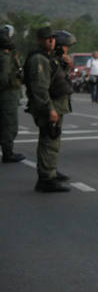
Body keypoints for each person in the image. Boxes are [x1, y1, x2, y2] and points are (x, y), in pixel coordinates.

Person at [23, 27, 72, 192]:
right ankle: (46, 178)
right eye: (47, 38)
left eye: (52, 38)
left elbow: (58, 78)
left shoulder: (49, 58)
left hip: (56, 105)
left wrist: (66, 65)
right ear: (39, 40)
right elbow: (40, 89)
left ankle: (50, 171)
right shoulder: (39, 59)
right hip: (49, 106)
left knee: (52, 141)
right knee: (49, 141)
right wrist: (49, 109)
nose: (51, 41)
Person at [0, 27, 25, 163]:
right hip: (7, 94)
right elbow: (4, 78)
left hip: (8, 93)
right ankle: (8, 153)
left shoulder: (7, 55)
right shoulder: (5, 57)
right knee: (9, 124)